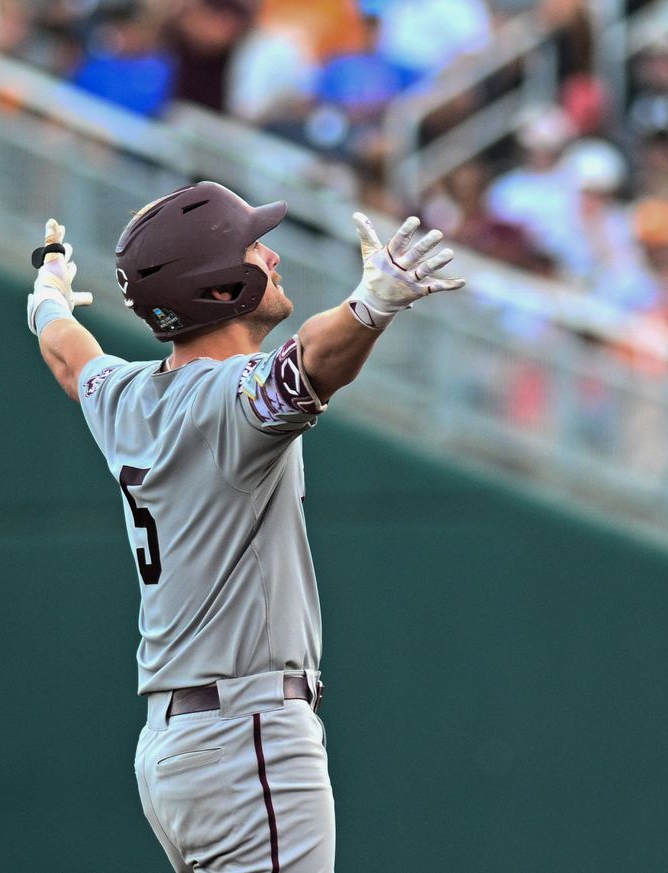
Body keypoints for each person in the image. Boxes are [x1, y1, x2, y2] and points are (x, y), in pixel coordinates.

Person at [23, 181, 464, 873]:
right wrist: (371, 306)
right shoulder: (227, 399)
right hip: (245, 734)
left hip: (179, 746)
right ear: (220, 286)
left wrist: (47, 294)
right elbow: (312, 362)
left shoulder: (126, 396)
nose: (273, 256)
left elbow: (68, 355)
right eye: (254, 246)